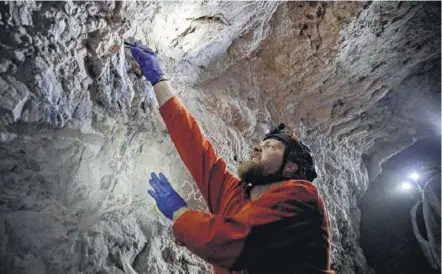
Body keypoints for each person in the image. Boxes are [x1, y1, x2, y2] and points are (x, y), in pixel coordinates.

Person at [129, 41, 334, 274]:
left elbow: (234, 240)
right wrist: (159, 80)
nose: (257, 148)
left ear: (289, 168)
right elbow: (196, 147)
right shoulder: (236, 195)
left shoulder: (302, 197)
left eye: (271, 146)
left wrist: (179, 213)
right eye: (261, 143)